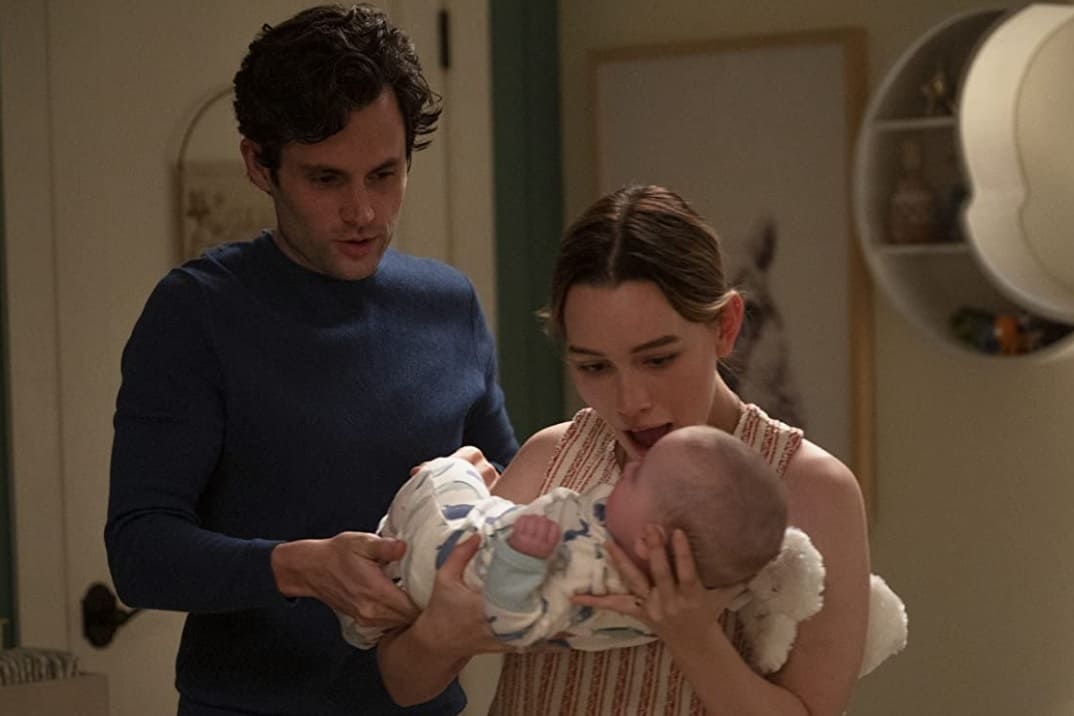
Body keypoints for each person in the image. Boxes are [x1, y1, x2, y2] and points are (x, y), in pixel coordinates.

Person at [104, 5, 517, 716]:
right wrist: (297, 567)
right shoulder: (196, 313)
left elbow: (510, 493)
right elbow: (139, 553)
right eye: (327, 180)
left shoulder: (448, 304)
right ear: (258, 165)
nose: (364, 211)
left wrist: (488, 493)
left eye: (384, 174)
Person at [376, 184, 874, 716]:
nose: (630, 401)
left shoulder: (810, 488)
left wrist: (692, 637)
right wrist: (440, 634)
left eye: (658, 360)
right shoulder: (552, 457)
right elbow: (405, 683)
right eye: (594, 366)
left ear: (725, 327)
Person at [342, 424, 799, 654]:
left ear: (650, 539)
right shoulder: (668, 598)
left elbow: (512, 625)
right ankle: (375, 602)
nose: (630, 469)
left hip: (451, 552)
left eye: (639, 478)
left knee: (451, 470)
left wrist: (520, 561)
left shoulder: (585, 570)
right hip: (436, 582)